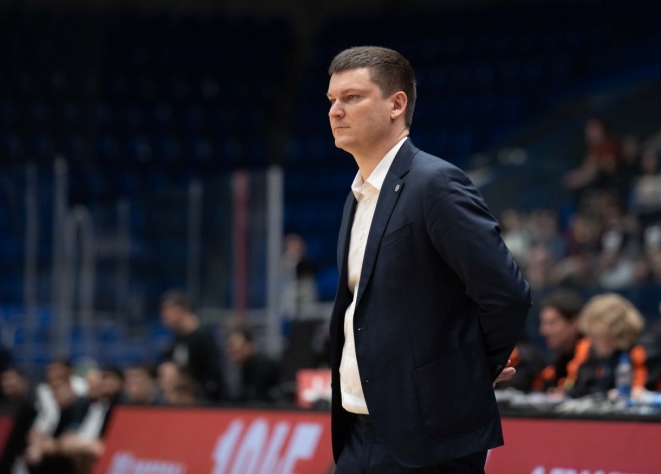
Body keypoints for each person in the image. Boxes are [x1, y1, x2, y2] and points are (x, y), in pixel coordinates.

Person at [326, 46, 531, 473]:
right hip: (358, 431)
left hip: (429, 436)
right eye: (332, 100)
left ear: (396, 105)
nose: (336, 111)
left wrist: (471, 371)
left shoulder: (435, 183)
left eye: (352, 97)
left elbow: (506, 293)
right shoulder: (356, 195)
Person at [565, 293, 661, 398]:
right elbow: (580, 388)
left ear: (612, 332)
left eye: (594, 336)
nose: (591, 341)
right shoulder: (604, 354)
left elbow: (640, 393)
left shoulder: (643, 352)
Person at [159, 290, 225, 403]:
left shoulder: (204, 337)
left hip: (204, 398)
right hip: (181, 394)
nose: (163, 315)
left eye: (167, 310)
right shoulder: (177, 338)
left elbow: (214, 375)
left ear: (181, 310)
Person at [538, 290, 585, 391]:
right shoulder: (559, 359)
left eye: (552, 323)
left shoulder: (591, 356)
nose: (543, 331)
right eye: (543, 323)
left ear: (574, 323)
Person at [225, 327, 281, 404]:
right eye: (229, 346)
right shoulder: (233, 368)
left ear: (250, 345)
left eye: (237, 349)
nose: (231, 351)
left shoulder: (264, 366)